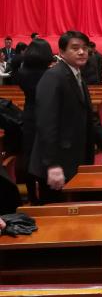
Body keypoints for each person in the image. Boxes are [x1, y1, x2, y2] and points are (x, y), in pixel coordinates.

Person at [29, 31, 102, 203]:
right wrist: (52, 165)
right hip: (58, 163)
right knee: (57, 212)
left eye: (84, 48)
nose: (81, 52)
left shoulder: (76, 75)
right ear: (61, 52)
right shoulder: (53, 76)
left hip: (74, 159)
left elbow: (89, 117)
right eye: (75, 48)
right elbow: (46, 123)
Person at [16, 38, 55, 204]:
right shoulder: (49, 74)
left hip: (29, 115)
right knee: (45, 155)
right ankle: (46, 195)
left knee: (29, 155)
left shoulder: (22, 72)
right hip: (47, 115)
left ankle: (32, 195)